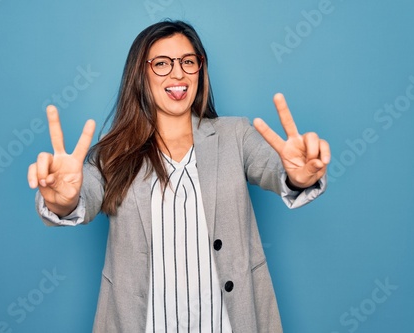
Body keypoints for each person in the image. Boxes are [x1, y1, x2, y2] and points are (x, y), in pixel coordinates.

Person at [28, 20, 330, 333]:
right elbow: (83, 196)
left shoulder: (235, 135)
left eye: (188, 61)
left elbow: (273, 169)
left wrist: (299, 176)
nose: (178, 73)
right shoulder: (112, 153)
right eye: (161, 63)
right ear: (140, 74)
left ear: (201, 69)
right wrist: (62, 200)